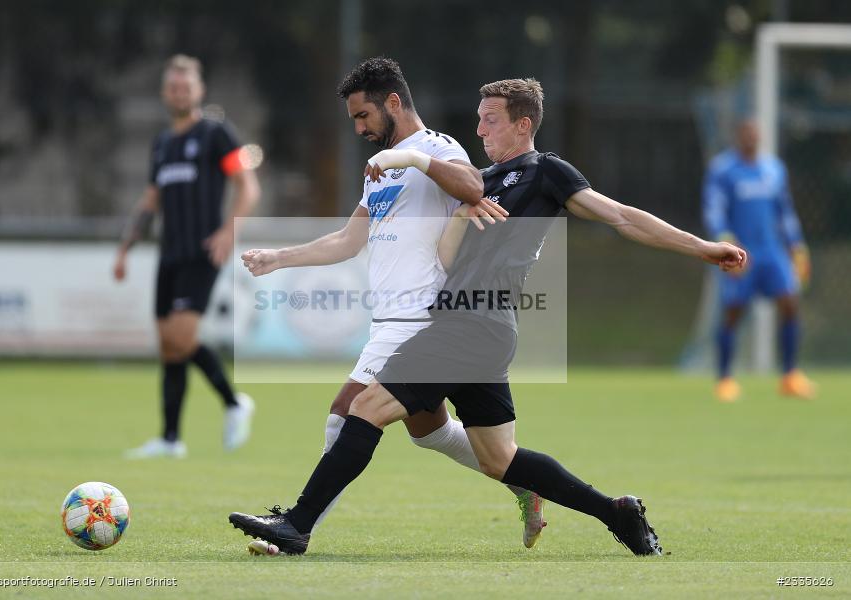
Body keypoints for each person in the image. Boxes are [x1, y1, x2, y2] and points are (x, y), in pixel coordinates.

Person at [229, 78, 747, 556]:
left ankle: (295, 526)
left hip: (469, 324)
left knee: (364, 408)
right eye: (477, 119)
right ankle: (617, 513)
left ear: (524, 124)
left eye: (491, 119)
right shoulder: (483, 182)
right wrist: (459, 215)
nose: (479, 129)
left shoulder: (545, 170)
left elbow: (621, 216)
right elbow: (451, 260)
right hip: (477, 327)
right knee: (500, 459)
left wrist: (703, 247)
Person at [240, 57, 545, 546]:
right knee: (431, 433)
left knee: (345, 412)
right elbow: (347, 240)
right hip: (390, 320)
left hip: (422, 317)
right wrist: (280, 258)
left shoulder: (437, 147)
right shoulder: (378, 169)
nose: (359, 128)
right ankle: (525, 482)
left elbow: (474, 187)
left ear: (394, 102)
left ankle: (294, 528)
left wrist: (412, 160)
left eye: (363, 116)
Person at [115, 54, 260, 458]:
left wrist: (229, 231)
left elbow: (248, 186)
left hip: (202, 251)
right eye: (173, 86)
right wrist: (126, 246)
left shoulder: (216, 134)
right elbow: (150, 198)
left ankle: (235, 404)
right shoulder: (162, 143)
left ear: (199, 91)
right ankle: (170, 439)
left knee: (182, 337)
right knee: (168, 345)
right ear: (165, 92)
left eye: (186, 86)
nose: (179, 92)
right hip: (169, 253)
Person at [703, 118, 815, 402]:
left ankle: (790, 375)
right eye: (746, 133)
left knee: (790, 304)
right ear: (738, 136)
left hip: (772, 252)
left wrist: (796, 245)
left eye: (755, 133)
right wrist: (724, 237)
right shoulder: (723, 170)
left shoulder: (773, 169)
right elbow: (714, 209)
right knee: (733, 311)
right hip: (741, 252)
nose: (751, 137)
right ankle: (725, 379)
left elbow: (784, 211)